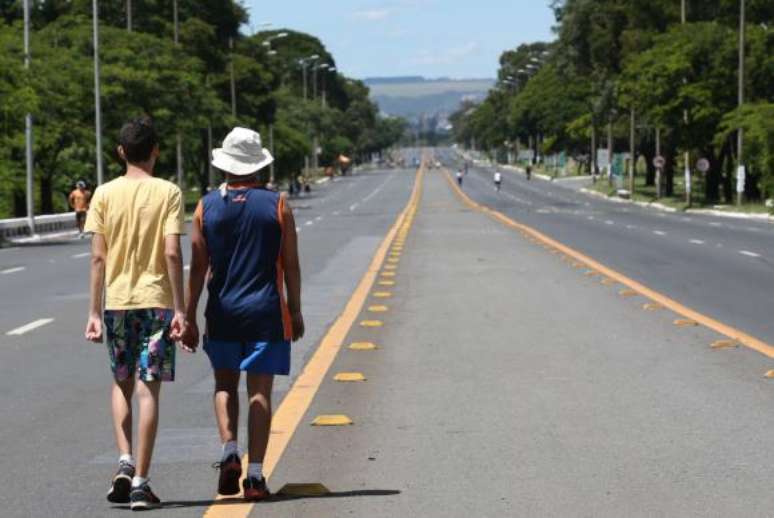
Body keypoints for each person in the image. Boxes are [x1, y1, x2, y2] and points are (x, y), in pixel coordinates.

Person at [184, 127, 304, 502]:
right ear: (258, 166)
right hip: (266, 312)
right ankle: (254, 477)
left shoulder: (205, 206)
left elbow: (197, 268)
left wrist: (188, 315)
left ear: (225, 166)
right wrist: (295, 309)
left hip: (222, 312)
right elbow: (291, 264)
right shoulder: (278, 204)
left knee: (224, 385)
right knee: (259, 394)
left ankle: (229, 451)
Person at [83, 117, 190, 511]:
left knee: (121, 382)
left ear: (120, 152)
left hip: (118, 303)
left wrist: (94, 311)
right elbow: (172, 253)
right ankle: (142, 483)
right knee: (149, 389)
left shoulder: (103, 194)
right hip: (157, 302)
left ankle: (125, 459)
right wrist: (180, 309)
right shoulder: (169, 192)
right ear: (156, 151)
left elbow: (98, 258)